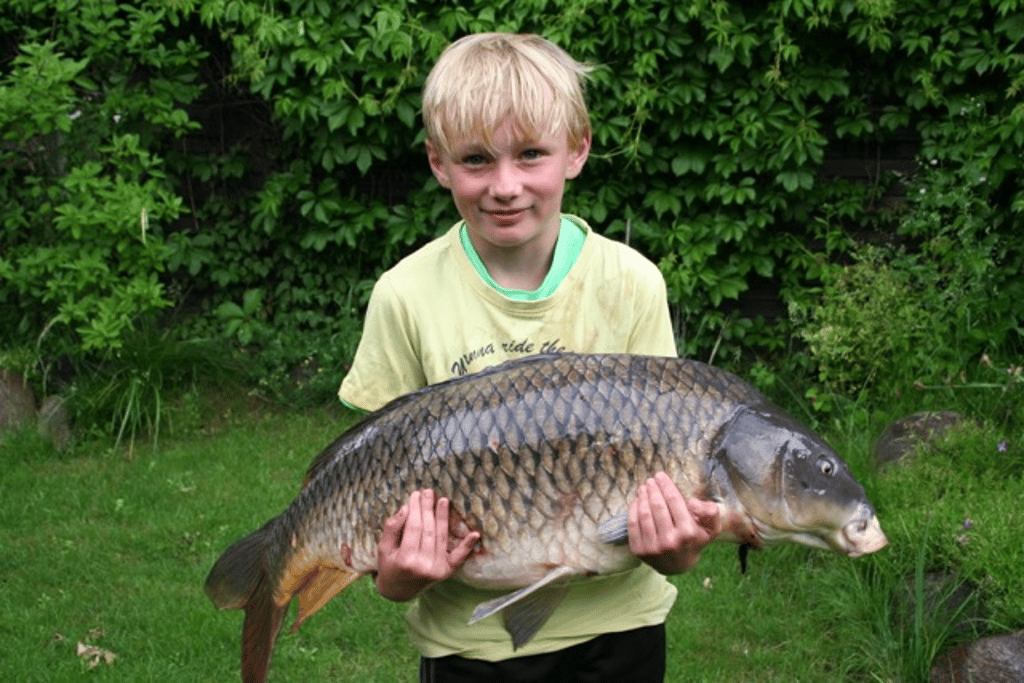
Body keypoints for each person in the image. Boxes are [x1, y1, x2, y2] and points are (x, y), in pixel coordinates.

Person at [337, 32, 720, 683]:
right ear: (438, 162)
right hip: (469, 645)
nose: (505, 185)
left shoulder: (632, 284)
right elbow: (370, 483)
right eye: (477, 159)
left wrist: (679, 547)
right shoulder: (404, 295)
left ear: (578, 149)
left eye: (531, 154)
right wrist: (395, 577)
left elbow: (669, 479)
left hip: (619, 630)